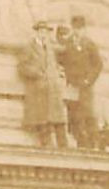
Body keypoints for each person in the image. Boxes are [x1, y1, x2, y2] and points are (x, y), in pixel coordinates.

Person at [18, 19, 70, 148]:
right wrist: (37, 72)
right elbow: (22, 66)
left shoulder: (50, 48)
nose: (43, 34)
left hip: (52, 90)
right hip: (38, 91)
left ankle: (64, 148)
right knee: (43, 122)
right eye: (41, 31)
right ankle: (48, 147)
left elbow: (54, 65)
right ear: (36, 32)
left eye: (46, 32)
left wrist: (58, 73)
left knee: (59, 120)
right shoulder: (29, 47)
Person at [59, 15, 103, 148]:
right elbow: (61, 60)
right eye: (75, 28)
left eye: (80, 28)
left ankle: (93, 143)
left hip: (85, 86)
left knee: (87, 114)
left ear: (84, 29)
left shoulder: (89, 45)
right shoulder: (67, 44)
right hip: (71, 85)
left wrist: (88, 80)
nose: (77, 31)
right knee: (73, 114)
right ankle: (80, 142)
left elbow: (98, 65)